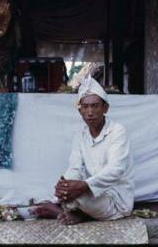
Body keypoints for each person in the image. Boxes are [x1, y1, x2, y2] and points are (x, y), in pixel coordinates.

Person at [35, 75, 134, 225]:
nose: (90, 112)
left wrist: (84, 186)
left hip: (116, 200)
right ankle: (74, 212)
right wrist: (66, 186)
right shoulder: (80, 135)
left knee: (79, 195)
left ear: (105, 108)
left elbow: (116, 170)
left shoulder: (117, 131)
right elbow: (75, 167)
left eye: (95, 106)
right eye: (85, 107)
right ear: (80, 111)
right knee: (67, 192)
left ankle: (70, 213)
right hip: (93, 194)